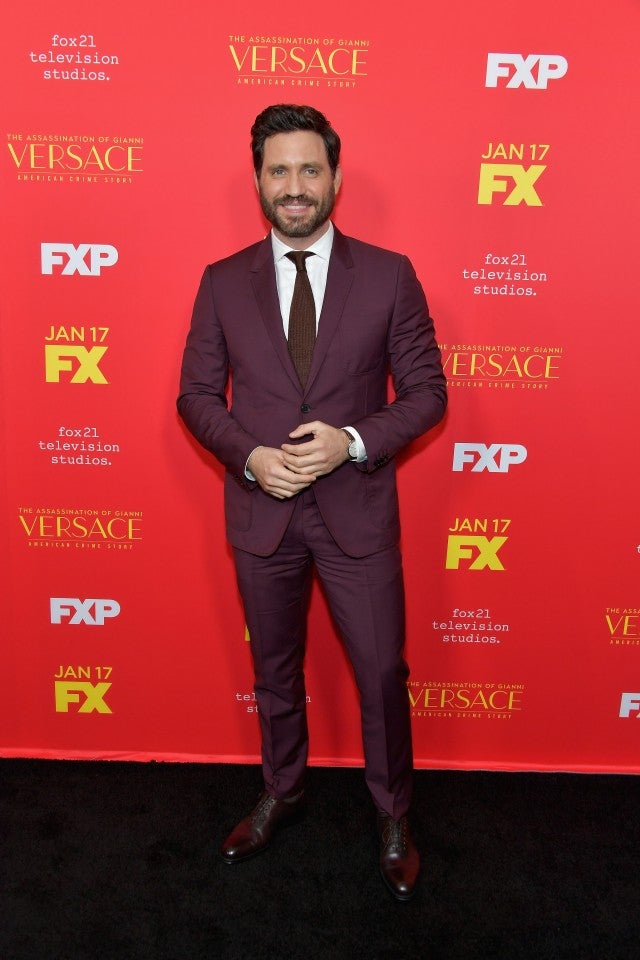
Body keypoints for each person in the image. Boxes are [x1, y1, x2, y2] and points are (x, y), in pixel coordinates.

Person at [177, 103, 447, 901]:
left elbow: (427, 393)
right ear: (259, 180)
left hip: (356, 512)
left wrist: (352, 441)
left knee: (381, 672)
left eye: (309, 169)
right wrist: (252, 457)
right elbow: (196, 397)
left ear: (334, 177)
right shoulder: (222, 281)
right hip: (263, 514)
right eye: (279, 171)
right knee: (273, 670)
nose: (294, 186)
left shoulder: (389, 274)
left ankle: (392, 813)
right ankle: (283, 788)